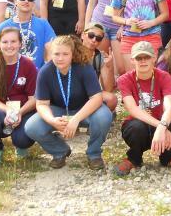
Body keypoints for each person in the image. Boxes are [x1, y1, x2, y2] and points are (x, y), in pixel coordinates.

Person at [25, 36, 113, 170]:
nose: (60, 58)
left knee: (104, 116)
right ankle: (59, 151)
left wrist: (76, 119)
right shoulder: (45, 72)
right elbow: (42, 104)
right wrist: (52, 120)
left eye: (65, 54)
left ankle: (94, 153)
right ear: (50, 54)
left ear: (72, 54)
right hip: (59, 110)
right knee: (32, 126)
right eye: (56, 54)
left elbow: (96, 98)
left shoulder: (84, 67)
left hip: (85, 110)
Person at [114, 41, 171, 176]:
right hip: (138, 125)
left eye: (147, 57)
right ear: (132, 60)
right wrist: (161, 126)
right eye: (139, 58)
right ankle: (134, 158)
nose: (143, 61)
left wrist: (163, 126)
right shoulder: (124, 80)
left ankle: (168, 158)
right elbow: (133, 109)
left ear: (154, 58)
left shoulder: (164, 76)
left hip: (159, 123)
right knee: (136, 128)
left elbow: (170, 107)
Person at [0, 27, 38, 168]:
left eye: (13, 41)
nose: (9, 45)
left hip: (24, 110)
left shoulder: (28, 65)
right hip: (1, 110)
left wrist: (19, 113)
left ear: (20, 44)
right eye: (5, 42)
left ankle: (20, 146)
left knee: (23, 140)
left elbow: (33, 99)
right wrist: (8, 111)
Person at [0, 0, 56, 69]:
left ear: (33, 4)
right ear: (15, 1)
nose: (26, 1)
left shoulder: (43, 24)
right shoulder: (3, 26)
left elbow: (51, 49)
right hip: (11, 74)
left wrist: (47, 72)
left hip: (36, 75)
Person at [80, 23, 118, 111]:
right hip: (71, 91)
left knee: (111, 99)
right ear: (82, 35)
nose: (94, 40)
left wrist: (110, 67)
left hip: (90, 93)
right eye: (91, 35)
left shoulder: (100, 57)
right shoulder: (71, 52)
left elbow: (108, 89)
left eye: (98, 38)